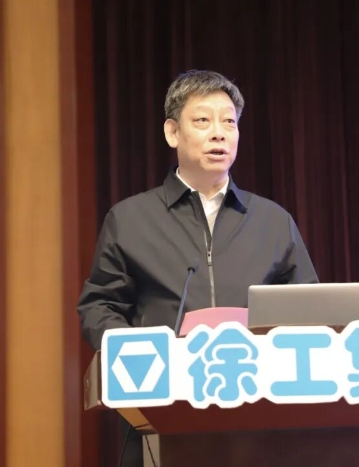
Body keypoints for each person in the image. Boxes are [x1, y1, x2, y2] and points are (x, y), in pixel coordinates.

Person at [77, 70, 319, 463]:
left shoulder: (273, 221)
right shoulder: (131, 219)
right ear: (172, 132)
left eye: (229, 122)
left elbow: (308, 311)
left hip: (256, 416)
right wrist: (140, 354)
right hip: (162, 413)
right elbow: (99, 306)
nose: (219, 133)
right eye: (203, 120)